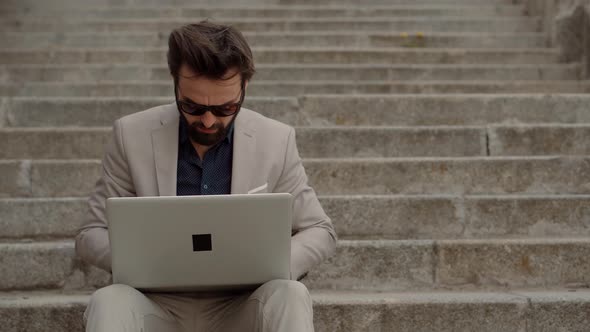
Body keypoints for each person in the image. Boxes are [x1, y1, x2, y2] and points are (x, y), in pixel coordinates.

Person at [74, 21, 337, 332]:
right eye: (193, 106)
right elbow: (91, 233)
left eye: (226, 107)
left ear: (244, 88)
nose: (209, 120)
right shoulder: (130, 135)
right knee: (108, 301)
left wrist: (275, 265)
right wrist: (144, 261)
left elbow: (319, 229)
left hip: (243, 305)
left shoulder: (275, 140)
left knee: (291, 294)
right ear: (175, 83)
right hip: (154, 304)